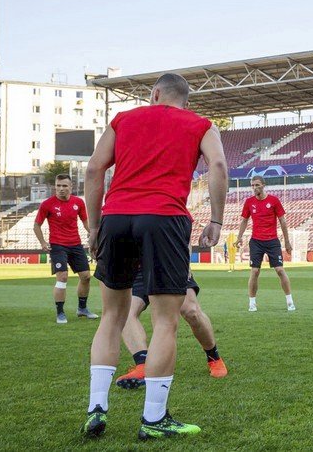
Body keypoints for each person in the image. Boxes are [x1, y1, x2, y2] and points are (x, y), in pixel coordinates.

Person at [81, 73, 228, 441]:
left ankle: (96, 409)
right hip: (164, 218)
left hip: (116, 216)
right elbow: (220, 167)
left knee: (112, 316)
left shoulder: (124, 119)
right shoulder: (200, 124)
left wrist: (96, 226)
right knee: (166, 322)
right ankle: (153, 418)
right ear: (185, 101)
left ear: (155, 93)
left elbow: (94, 168)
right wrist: (216, 219)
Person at [114, 269, 227, 389]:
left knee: (191, 312)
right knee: (126, 313)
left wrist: (186, 260)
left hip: (170, 259)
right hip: (139, 267)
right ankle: (142, 366)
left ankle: (213, 357)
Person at [34, 174, 97, 323]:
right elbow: (37, 225)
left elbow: (86, 222)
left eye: (64, 186)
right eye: (58, 186)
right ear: (55, 186)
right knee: (62, 277)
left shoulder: (78, 202)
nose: (61, 189)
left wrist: (95, 235)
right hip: (57, 245)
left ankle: (82, 309)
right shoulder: (47, 204)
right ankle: (60, 313)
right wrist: (43, 242)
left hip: (76, 244)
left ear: (71, 187)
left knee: (86, 276)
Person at [235, 176, 295, 311]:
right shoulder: (249, 202)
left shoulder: (274, 200)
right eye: (252, 185)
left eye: (257, 185)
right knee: (255, 271)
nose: (254, 188)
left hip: (272, 240)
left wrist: (287, 242)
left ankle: (290, 301)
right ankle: (252, 303)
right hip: (256, 241)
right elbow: (244, 220)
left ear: (263, 185)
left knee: (279, 270)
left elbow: (283, 221)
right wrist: (239, 237)